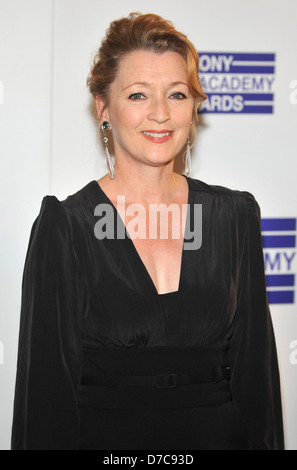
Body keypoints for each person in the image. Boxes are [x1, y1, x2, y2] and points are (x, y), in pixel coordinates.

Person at [11, 12, 284, 450]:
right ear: (104, 109)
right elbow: (44, 400)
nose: (160, 114)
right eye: (138, 94)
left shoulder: (234, 217)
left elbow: (257, 382)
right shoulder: (67, 226)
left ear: (193, 107)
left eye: (176, 94)